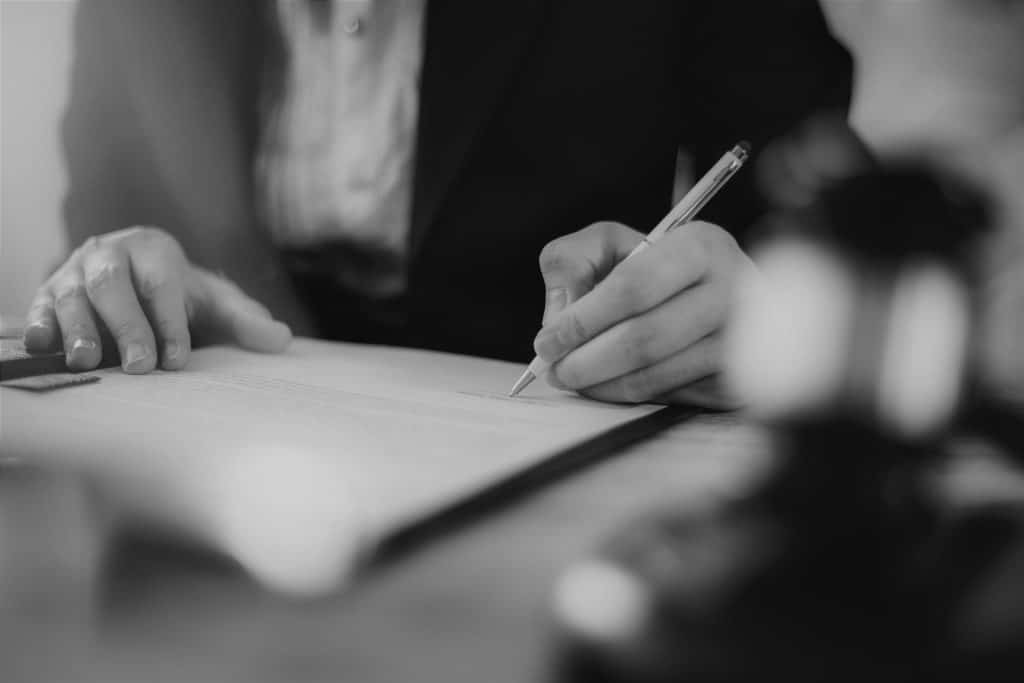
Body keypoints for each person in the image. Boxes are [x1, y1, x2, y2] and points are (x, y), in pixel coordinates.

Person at [23, 0, 850, 406]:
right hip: (203, 481)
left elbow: (825, 210)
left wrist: (765, 312)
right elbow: (111, 210)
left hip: (556, 457)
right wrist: (142, 274)